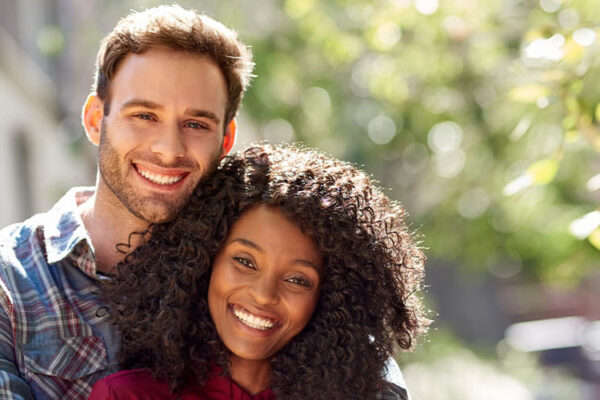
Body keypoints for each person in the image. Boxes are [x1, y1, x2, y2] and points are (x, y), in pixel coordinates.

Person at [0, 5, 253, 399]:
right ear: (95, 118)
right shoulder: (10, 280)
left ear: (226, 140)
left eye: (195, 124)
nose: (169, 150)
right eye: (144, 115)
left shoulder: (257, 268)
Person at [88, 144, 429, 400]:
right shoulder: (125, 396)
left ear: (328, 298)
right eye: (245, 262)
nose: (264, 294)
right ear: (204, 261)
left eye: (298, 280)